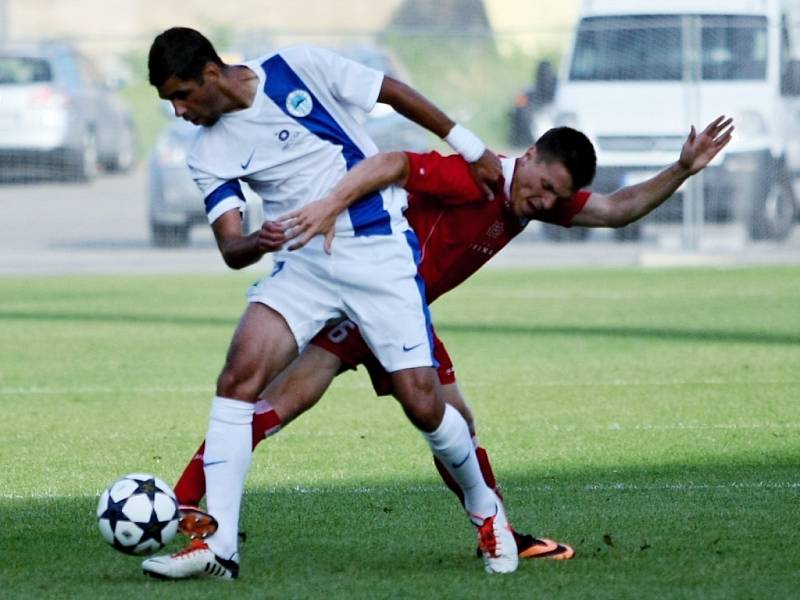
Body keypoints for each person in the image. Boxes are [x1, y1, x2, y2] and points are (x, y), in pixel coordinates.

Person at [169, 117, 735, 564]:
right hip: (368, 290)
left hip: (401, 312)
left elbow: (617, 210)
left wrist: (681, 169)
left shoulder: (531, 201)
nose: (542, 203)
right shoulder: (477, 176)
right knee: (282, 400)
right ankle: (182, 504)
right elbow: (391, 165)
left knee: (446, 419)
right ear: (529, 156)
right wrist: (335, 205)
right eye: (541, 188)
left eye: (553, 198)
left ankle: (497, 530)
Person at [142, 27, 521, 580]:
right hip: (303, 264)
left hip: (375, 248)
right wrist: (260, 239)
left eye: (182, 95)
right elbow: (231, 246)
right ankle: (217, 547)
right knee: (237, 379)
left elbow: (392, 91)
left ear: (211, 74)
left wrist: (472, 146)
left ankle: (489, 514)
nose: (179, 111)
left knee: (422, 403)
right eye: (168, 102)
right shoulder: (206, 153)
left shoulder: (297, 68)